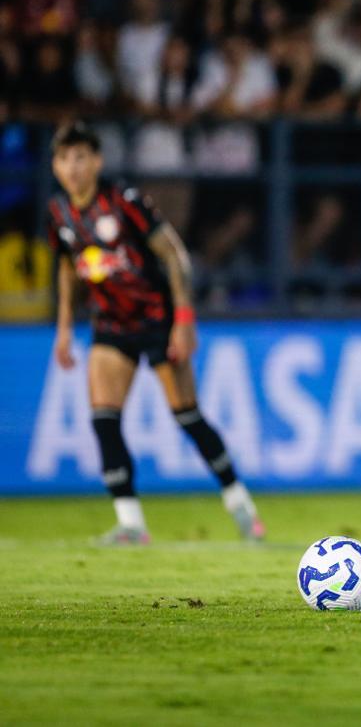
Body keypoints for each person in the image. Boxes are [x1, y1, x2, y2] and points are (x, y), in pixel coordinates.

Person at [46, 122, 263, 545]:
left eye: (81, 157)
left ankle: (241, 505)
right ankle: (130, 523)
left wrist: (183, 317)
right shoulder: (58, 214)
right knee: (104, 420)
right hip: (110, 326)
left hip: (157, 320)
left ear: (97, 161)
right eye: (64, 158)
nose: (73, 167)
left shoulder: (123, 201)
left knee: (187, 415)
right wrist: (64, 327)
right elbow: (68, 267)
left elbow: (174, 253)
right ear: (54, 166)